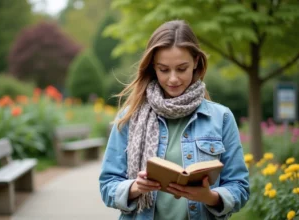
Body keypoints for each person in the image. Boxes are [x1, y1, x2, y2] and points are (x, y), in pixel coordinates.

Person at [99, 20, 249, 220]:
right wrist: (135, 187)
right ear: (153, 66)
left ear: (196, 62)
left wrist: (210, 197)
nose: (173, 79)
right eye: (163, 69)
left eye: (181, 68)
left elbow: (240, 186)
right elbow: (107, 185)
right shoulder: (129, 117)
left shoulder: (221, 118)